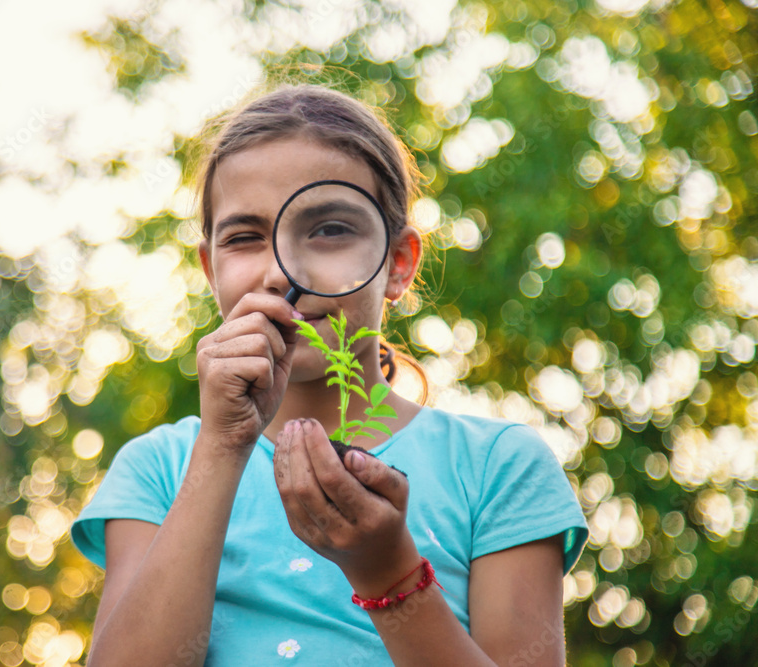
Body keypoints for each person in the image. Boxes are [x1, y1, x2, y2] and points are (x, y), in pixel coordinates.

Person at [70, 83, 589, 666]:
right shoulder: (159, 471)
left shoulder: (498, 466)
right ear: (210, 270)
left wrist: (389, 576)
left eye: (330, 229)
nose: (278, 272)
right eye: (244, 238)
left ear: (397, 264)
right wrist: (221, 447)